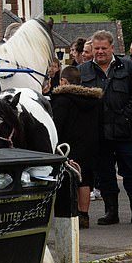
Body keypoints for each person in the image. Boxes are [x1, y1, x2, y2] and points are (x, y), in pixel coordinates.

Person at [78, 30, 132, 226]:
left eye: (104, 48)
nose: (100, 52)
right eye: (97, 48)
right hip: (99, 134)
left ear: (113, 48)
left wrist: (127, 115)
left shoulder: (129, 66)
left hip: (125, 131)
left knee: (131, 172)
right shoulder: (83, 70)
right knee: (105, 175)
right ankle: (111, 212)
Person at [50, 65, 103, 229]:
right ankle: (84, 215)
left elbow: (57, 124)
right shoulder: (94, 100)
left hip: (67, 145)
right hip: (89, 144)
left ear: (63, 81)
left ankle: (68, 215)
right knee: (85, 180)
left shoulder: (62, 99)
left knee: (66, 179)